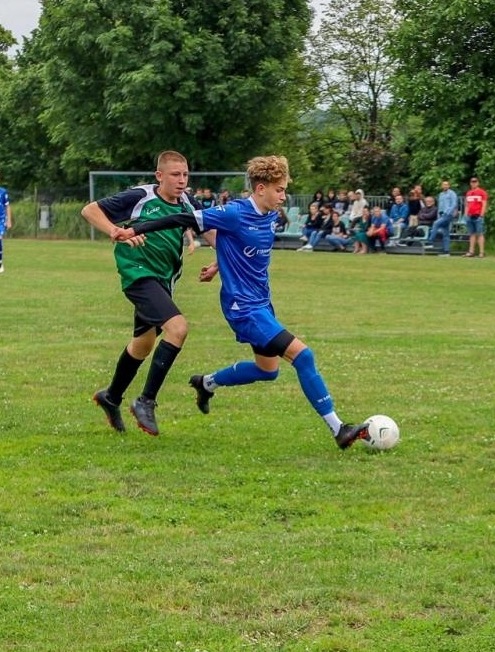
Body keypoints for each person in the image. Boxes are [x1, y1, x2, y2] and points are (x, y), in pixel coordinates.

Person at [114, 155, 370, 450]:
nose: (283, 197)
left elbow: (238, 247)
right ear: (260, 189)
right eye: (279, 190)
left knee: (267, 370)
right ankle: (339, 429)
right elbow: (181, 218)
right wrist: (133, 230)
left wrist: (219, 265)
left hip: (262, 303)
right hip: (243, 308)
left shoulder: (270, 215)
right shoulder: (234, 213)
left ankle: (206, 383)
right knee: (304, 356)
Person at [81, 150, 202, 436]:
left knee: (143, 343)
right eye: (175, 175)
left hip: (163, 280)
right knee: (178, 328)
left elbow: (213, 231)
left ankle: (111, 397)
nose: (182, 180)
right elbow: (89, 210)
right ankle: (146, 401)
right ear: (159, 175)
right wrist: (114, 230)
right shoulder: (140, 196)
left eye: (185, 175)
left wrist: (222, 258)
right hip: (138, 273)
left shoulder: (187, 203)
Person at [463, 176, 489, 258]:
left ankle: (481, 252)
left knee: (480, 234)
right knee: (472, 234)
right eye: (472, 182)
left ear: (478, 183)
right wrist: (465, 215)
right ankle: (471, 251)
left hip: (478, 216)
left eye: (475, 182)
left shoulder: (482, 192)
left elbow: (484, 204)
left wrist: (481, 215)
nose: (473, 183)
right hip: (470, 216)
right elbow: (467, 205)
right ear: (470, 183)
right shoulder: (468, 193)